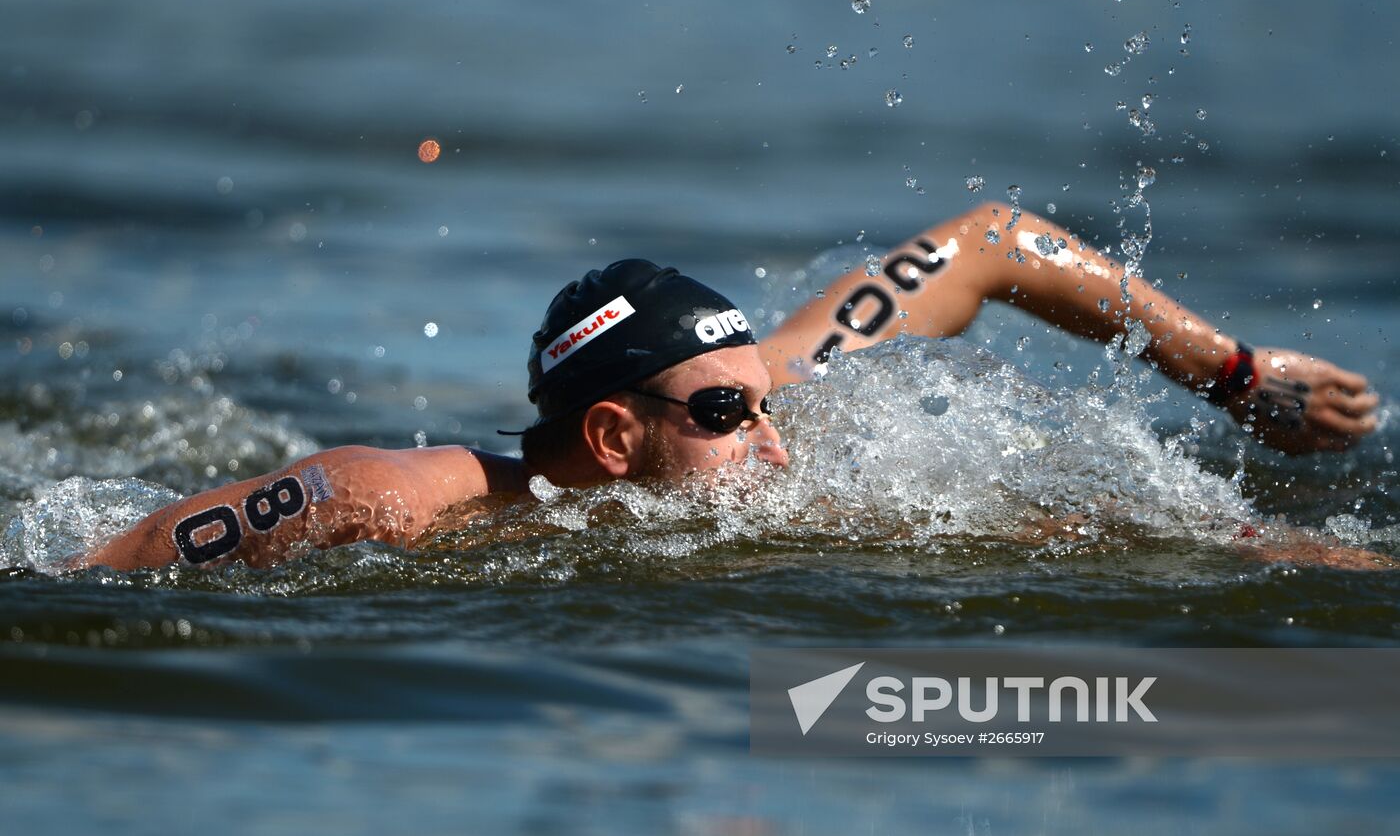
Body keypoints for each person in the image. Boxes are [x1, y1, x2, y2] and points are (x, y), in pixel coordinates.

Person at [80, 204, 1380, 571]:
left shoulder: (762, 407)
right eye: (723, 413)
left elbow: (990, 242)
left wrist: (1235, 377)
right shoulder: (403, 504)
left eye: (759, 395)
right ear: (609, 430)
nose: (773, 434)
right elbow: (126, 555)